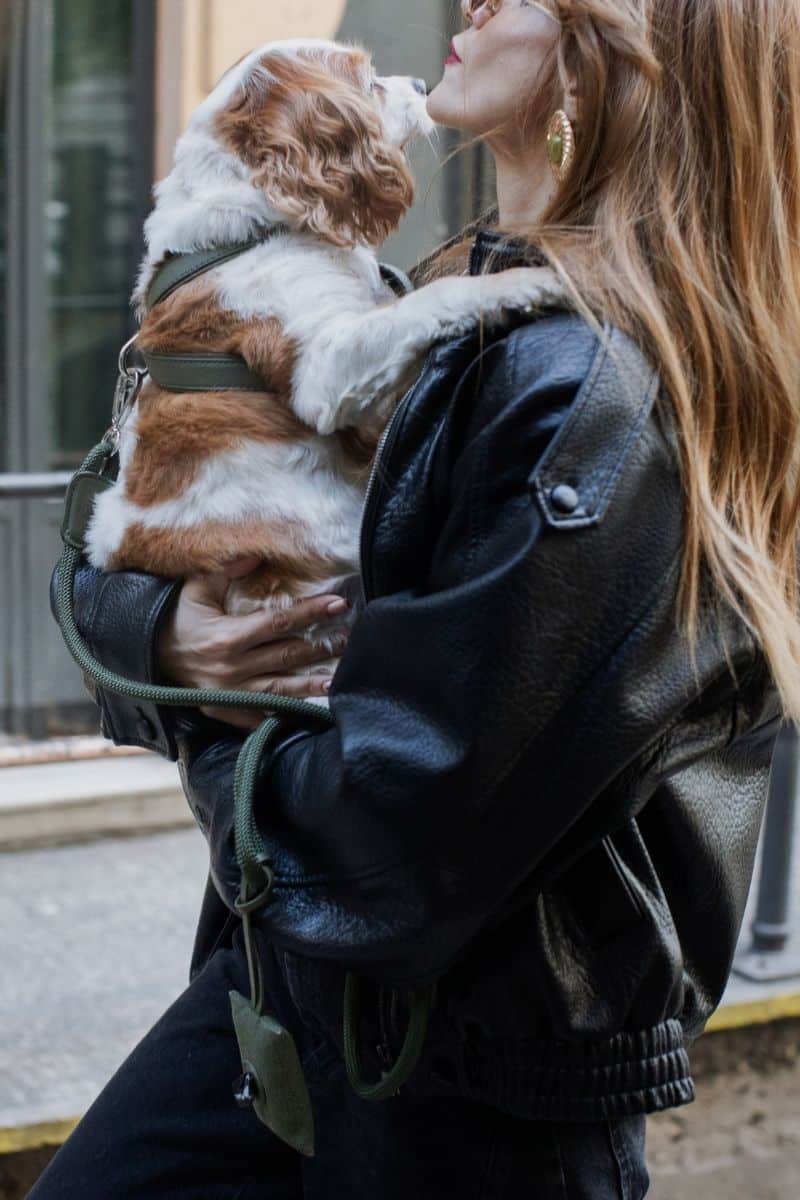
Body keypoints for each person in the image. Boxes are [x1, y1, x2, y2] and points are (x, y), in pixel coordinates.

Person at [32, 1, 800, 1196]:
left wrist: (193, 713)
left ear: (620, 69)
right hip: (294, 1009)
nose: (477, 1)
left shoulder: (587, 393)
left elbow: (379, 848)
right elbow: (132, 541)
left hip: (461, 1096)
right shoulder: (438, 297)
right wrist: (168, 641)